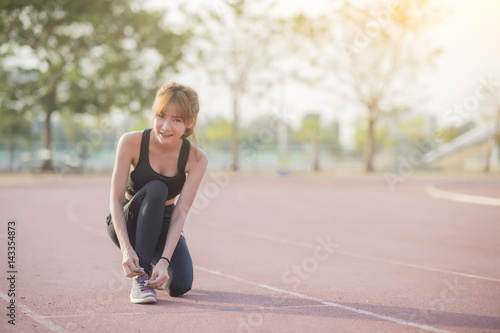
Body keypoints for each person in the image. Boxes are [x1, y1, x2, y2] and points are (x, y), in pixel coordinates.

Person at [106, 82, 208, 304]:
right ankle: (140, 278)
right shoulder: (130, 142)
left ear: (190, 122)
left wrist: (164, 260)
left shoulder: (197, 158)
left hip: (164, 220)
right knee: (157, 188)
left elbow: (180, 212)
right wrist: (125, 250)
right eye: (161, 116)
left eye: (177, 120)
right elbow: (114, 199)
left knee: (180, 285)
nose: (166, 126)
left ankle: (153, 262)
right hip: (127, 220)